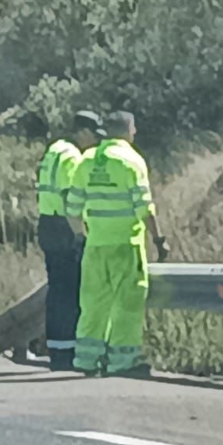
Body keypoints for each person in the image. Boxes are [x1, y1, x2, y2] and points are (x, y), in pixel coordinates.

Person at [64, 110, 170, 377]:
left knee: (93, 304)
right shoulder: (131, 161)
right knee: (127, 304)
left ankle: (86, 359)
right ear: (127, 130)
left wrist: (80, 237)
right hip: (125, 245)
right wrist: (159, 240)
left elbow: (72, 208)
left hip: (95, 246)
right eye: (133, 129)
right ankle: (123, 361)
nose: (135, 133)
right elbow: (144, 208)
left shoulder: (87, 160)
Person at [36, 111, 101, 370]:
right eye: (94, 136)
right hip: (64, 228)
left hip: (46, 223)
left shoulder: (54, 150)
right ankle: (68, 352)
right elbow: (69, 200)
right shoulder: (73, 157)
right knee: (71, 293)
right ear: (83, 132)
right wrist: (80, 235)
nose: (95, 143)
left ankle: (56, 349)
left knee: (56, 291)